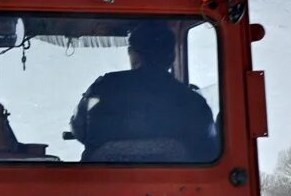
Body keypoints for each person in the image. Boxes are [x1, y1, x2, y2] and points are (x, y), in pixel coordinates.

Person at [69, 22, 218, 162]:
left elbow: (79, 128)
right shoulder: (193, 102)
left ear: (134, 55)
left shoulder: (101, 88)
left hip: (97, 186)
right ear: (171, 57)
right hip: (175, 188)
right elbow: (207, 149)